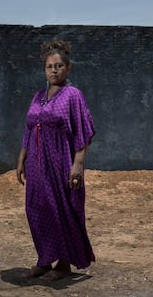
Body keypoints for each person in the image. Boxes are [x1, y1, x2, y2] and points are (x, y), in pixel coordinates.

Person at [16, 39, 96, 282]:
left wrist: (78, 164)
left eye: (59, 66)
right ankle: (44, 259)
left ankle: (63, 264)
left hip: (61, 163)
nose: (54, 70)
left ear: (68, 69)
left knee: (62, 210)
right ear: (44, 69)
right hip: (37, 165)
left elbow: (83, 132)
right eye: (50, 66)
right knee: (36, 210)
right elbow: (29, 129)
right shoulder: (38, 96)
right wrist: (21, 158)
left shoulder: (73, 95)